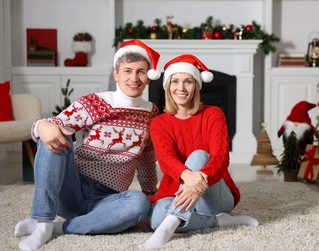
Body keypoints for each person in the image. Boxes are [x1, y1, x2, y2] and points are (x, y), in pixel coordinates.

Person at [14, 39, 161, 251]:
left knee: (139, 203)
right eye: (127, 71)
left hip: (107, 200)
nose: (134, 78)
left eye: (141, 71)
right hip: (72, 187)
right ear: (116, 74)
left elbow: (147, 159)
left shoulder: (152, 113)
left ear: (149, 77)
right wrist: (40, 126)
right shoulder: (96, 102)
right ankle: (42, 221)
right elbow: (54, 125)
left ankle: (60, 228)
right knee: (55, 137)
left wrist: (149, 198)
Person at [140, 54, 259, 249]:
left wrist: (198, 178)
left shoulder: (214, 114)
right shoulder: (158, 123)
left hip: (214, 196)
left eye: (188, 82)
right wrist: (188, 176)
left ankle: (169, 227)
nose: (181, 88)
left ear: (196, 85)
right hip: (175, 192)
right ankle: (219, 222)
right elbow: (166, 160)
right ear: (168, 86)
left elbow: (221, 158)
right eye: (175, 81)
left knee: (198, 156)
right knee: (156, 218)